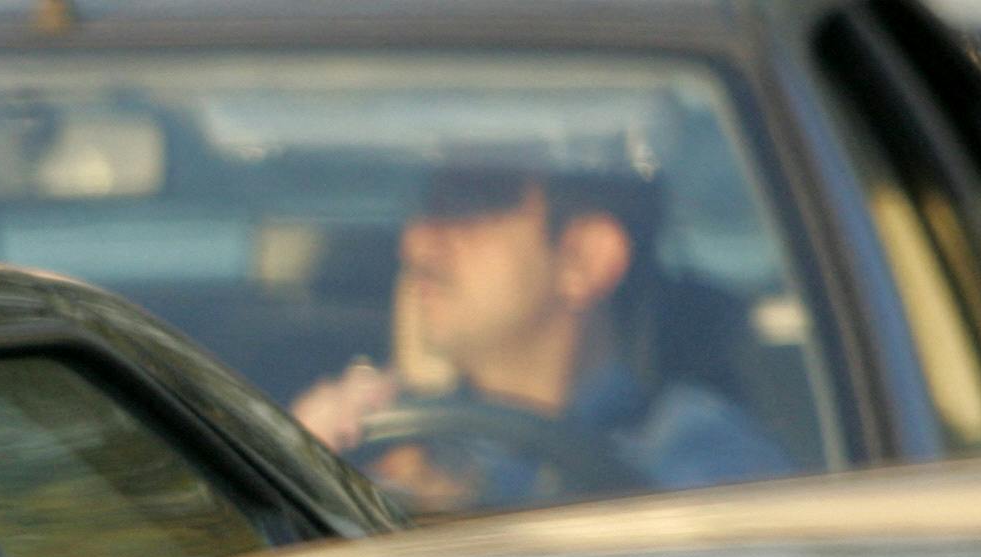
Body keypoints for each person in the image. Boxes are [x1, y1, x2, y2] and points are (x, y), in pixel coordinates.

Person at [292, 161, 788, 513]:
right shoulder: (377, 433)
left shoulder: (695, 453)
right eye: (429, 207)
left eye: (471, 206)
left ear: (584, 259)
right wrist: (294, 462)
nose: (417, 242)